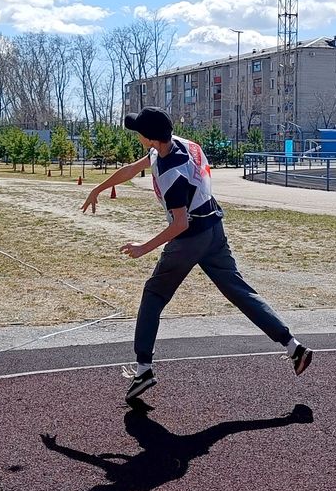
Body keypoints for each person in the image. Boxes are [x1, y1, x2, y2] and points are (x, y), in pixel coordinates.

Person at [81, 106, 312, 403]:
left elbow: (180, 224)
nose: (136, 135)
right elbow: (133, 169)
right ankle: (293, 347)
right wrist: (99, 188)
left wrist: (143, 248)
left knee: (153, 295)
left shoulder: (171, 173)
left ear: (150, 138)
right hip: (214, 229)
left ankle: (144, 369)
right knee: (240, 291)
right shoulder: (179, 144)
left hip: (191, 237)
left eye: (139, 132)